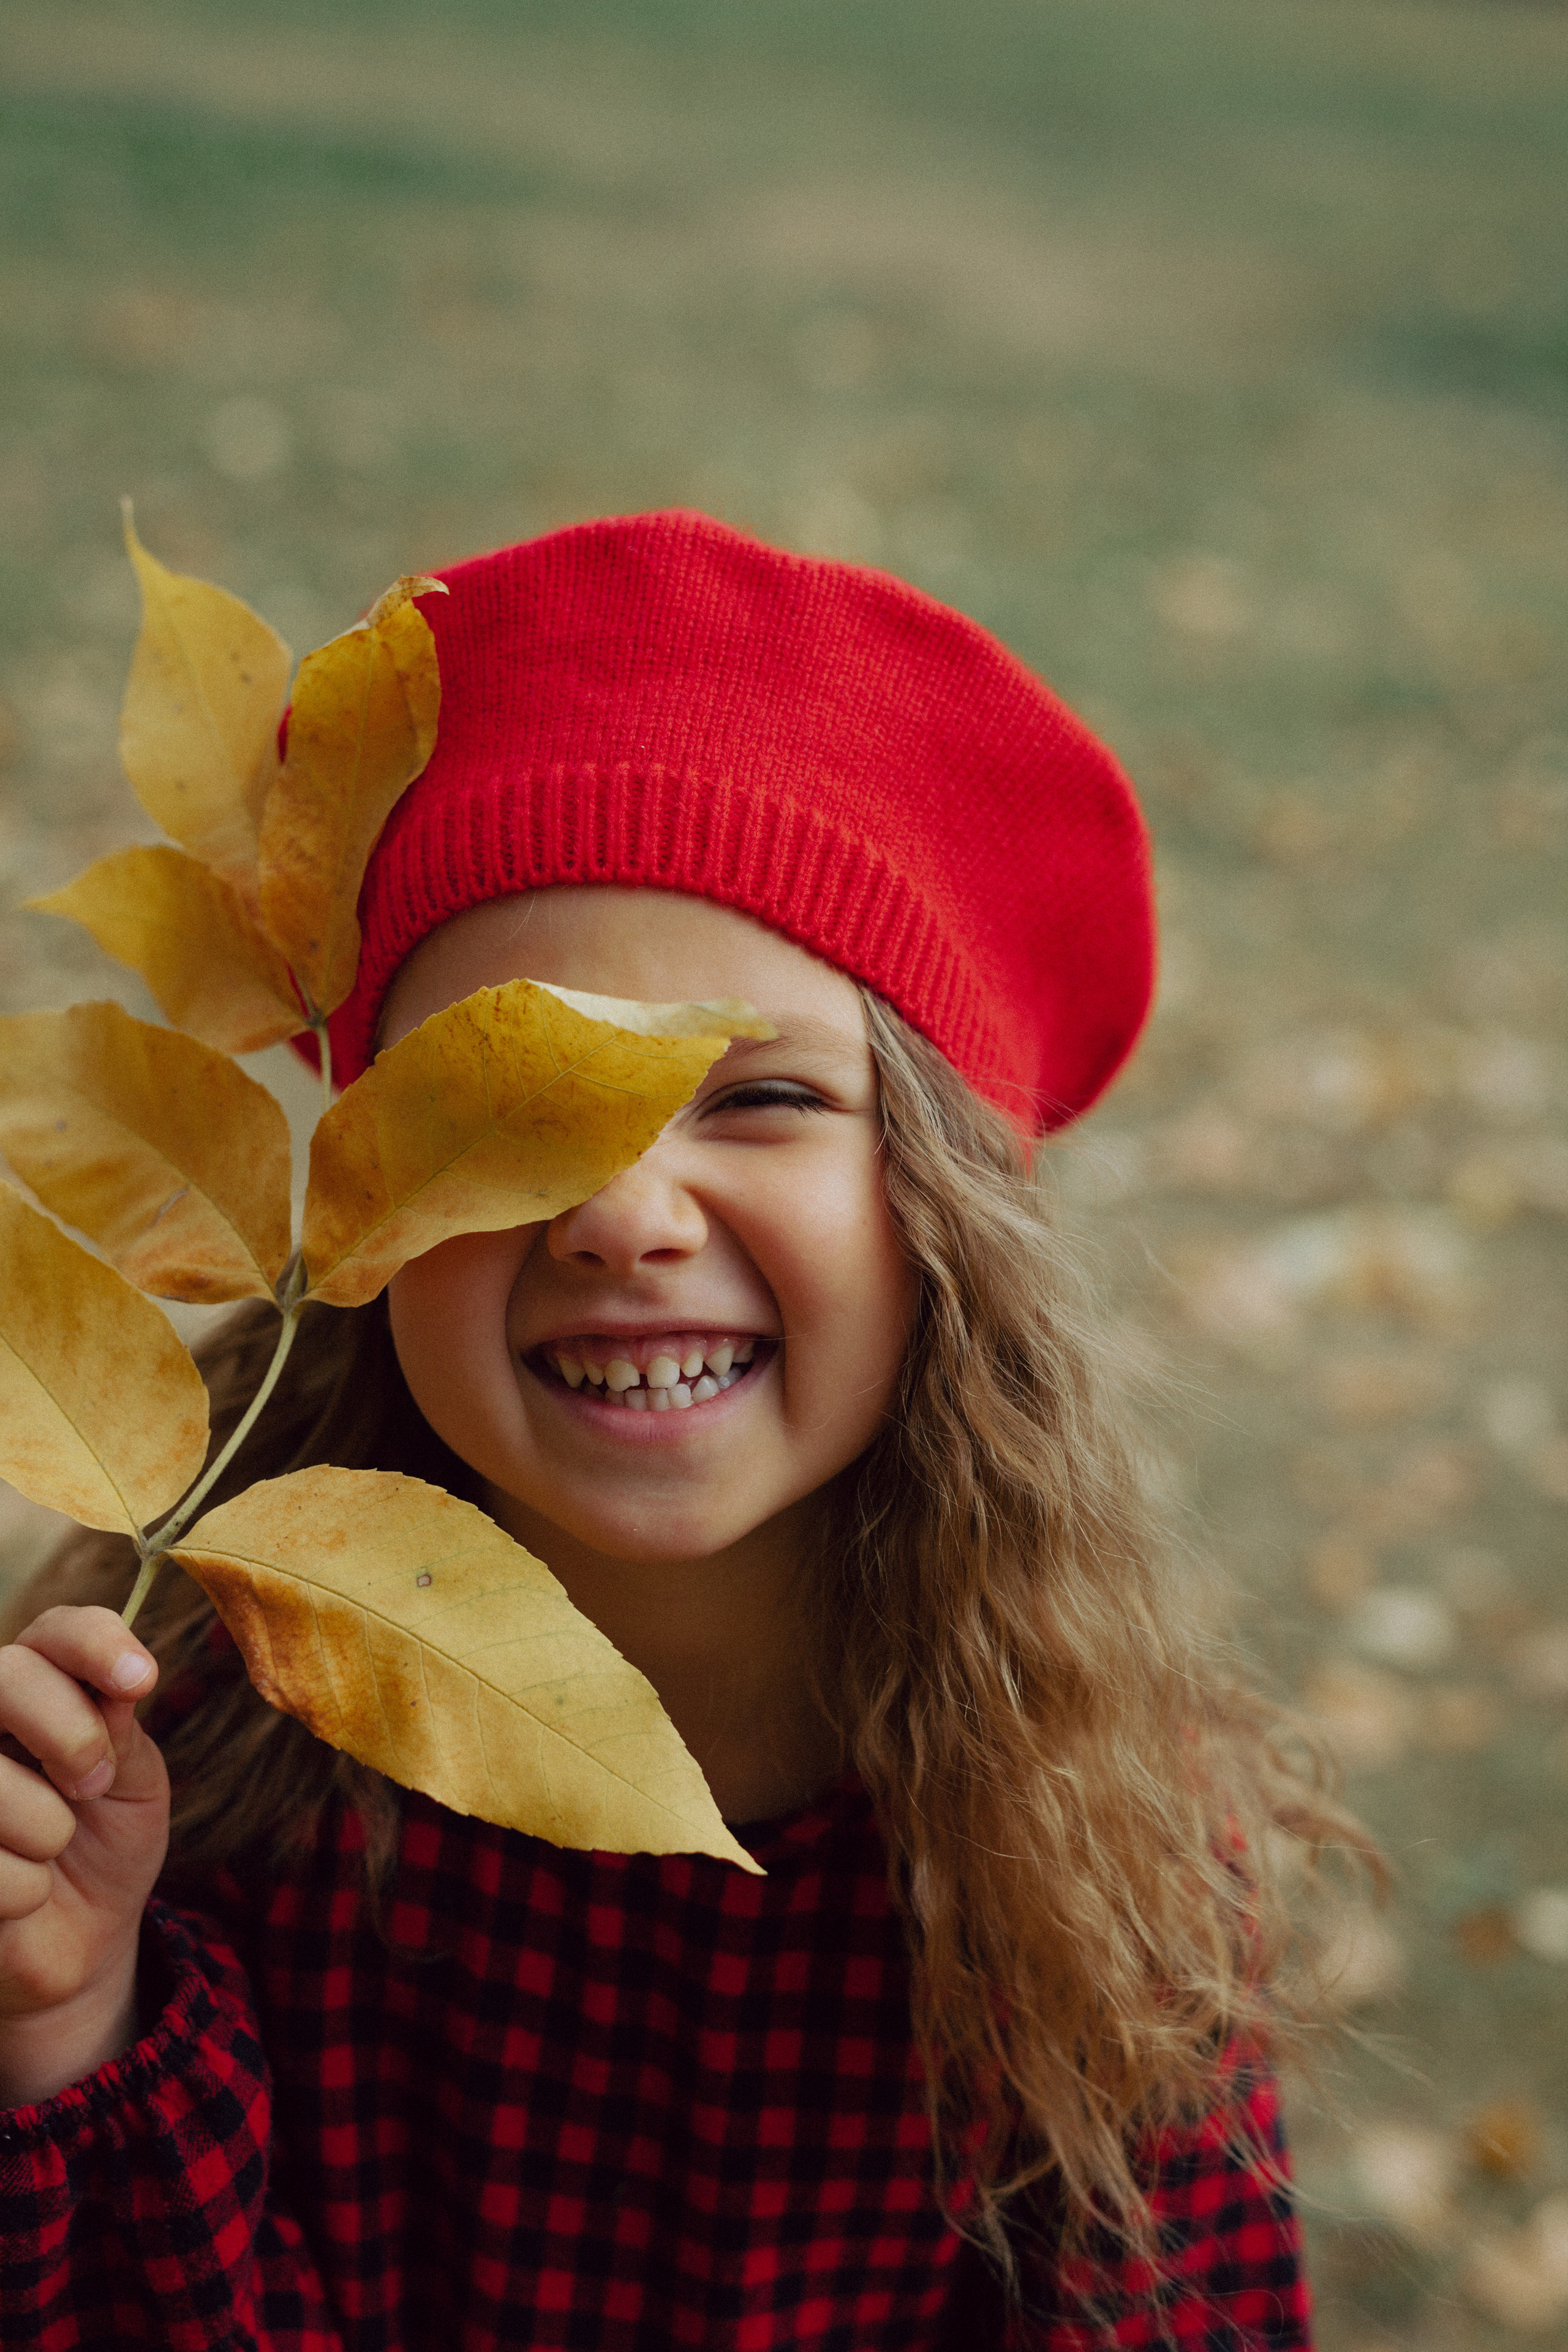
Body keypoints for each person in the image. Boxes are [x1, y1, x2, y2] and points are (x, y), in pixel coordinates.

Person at [0, 511, 1340, 2348]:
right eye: (507, 1101)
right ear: (364, 1210)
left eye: (765, 1095)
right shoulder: (186, 1771)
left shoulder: (1085, 1854)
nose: (622, 1212)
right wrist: (67, 2030)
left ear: (945, 1214)